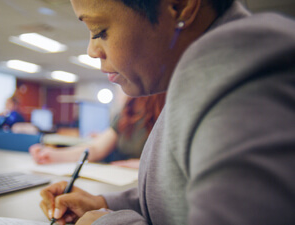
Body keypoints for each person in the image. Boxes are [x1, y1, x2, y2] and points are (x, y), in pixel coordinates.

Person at [38, 0, 295, 225]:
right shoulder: (196, 79)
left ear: (180, 5)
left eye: (99, 30)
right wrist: (104, 203)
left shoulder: (246, 84)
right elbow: (177, 200)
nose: (92, 50)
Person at [29, 93, 165, 168]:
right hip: (121, 179)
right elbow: (96, 149)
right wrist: (54, 155)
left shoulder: (167, 111)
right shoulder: (126, 114)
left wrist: (146, 165)